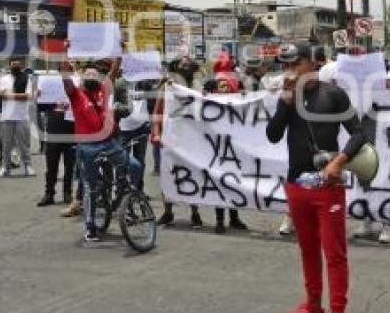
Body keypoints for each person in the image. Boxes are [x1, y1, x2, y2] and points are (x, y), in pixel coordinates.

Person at [266, 43, 365, 313]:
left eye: (295, 63)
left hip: (328, 186)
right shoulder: (287, 97)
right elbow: (272, 135)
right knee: (308, 250)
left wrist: (339, 160)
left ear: (311, 64)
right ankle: (312, 305)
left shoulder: (333, 94)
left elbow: (360, 133)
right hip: (296, 185)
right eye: (285, 65)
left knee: (334, 253)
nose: (289, 70)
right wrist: (284, 102)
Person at [59, 59, 142, 243]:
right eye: (87, 73)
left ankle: (122, 199)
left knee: (135, 166)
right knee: (91, 187)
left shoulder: (103, 90)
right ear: (81, 77)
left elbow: (113, 72)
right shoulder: (76, 94)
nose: (90, 75)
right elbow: (66, 79)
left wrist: (118, 57)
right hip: (87, 147)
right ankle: (90, 227)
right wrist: (64, 64)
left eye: (94, 74)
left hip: (109, 142)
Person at [153, 56, 204, 228]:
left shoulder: (197, 86)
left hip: (191, 140)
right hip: (170, 138)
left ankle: (195, 212)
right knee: (168, 176)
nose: (186, 64)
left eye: (188, 62)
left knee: (192, 176)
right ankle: (168, 212)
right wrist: (156, 133)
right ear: (176, 66)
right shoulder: (166, 86)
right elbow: (157, 111)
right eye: (183, 62)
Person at [204, 76, 249, 234]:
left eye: (227, 86)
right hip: (216, 151)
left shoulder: (236, 103)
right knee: (220, 184)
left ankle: (234, 217)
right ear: (216, 89)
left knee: (233, 184)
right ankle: (220, 220)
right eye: (221, 86)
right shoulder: (210, 103)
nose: (225, 88)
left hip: (233, 152)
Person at [37, 79, 76, 207]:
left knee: (69, 165)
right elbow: (41, 107)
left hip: (71, 130)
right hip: (54, 130)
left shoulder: (76, 84)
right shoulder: (49, 85)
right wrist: (39, 96)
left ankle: (67, 193)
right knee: (51, 165)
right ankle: (49, 193)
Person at [0, 59, 34, 177]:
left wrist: (10, 95)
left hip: (22, 116)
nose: (16, 66)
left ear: (21, 65)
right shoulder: (4, 79)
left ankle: (28, 167)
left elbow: (28, 96)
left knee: (24, 144)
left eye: (18, 64)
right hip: (7, 116)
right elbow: (2, 95)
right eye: (13, 64)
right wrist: (18, 96)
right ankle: (5, 168)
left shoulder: (26, 78)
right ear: (10, 66)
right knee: (6, 144)